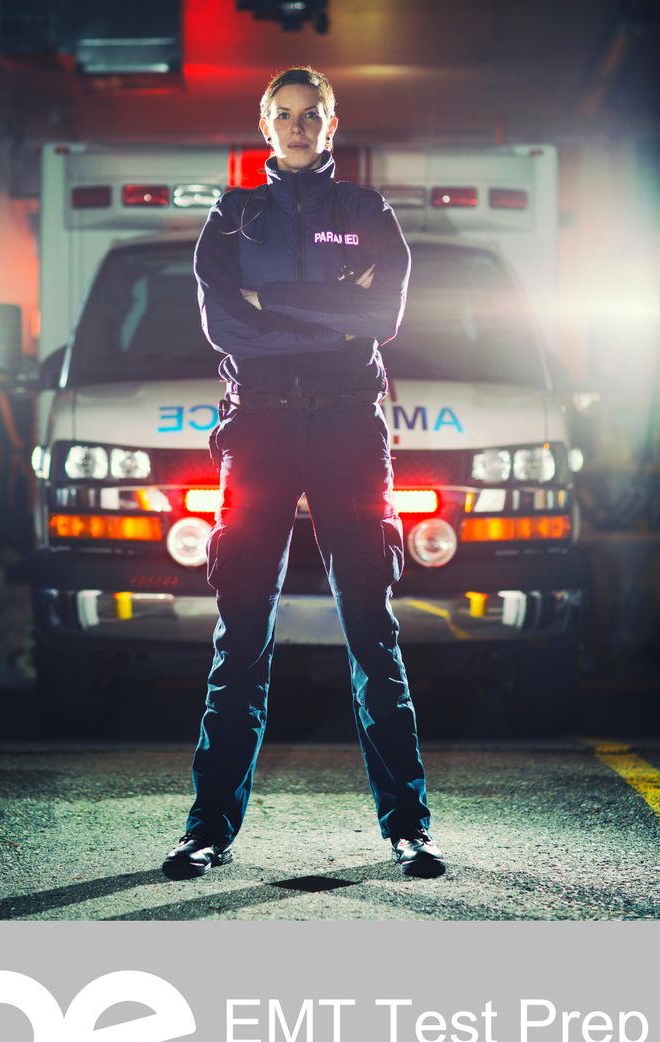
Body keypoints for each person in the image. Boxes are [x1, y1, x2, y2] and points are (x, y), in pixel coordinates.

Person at [162, 66, 445, 881]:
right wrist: (326, 312)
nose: (296, 126)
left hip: (351, 429)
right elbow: (227, 326)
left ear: (331, 123)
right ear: (264, 125)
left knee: (371, 627)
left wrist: (274, 303)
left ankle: (408, 827)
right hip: (258, 429)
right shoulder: (233, 214)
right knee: (242, 632)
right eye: (282, 115)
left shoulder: (366, 211)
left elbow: (381, 317)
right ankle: (207, 828)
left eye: (310, 114)